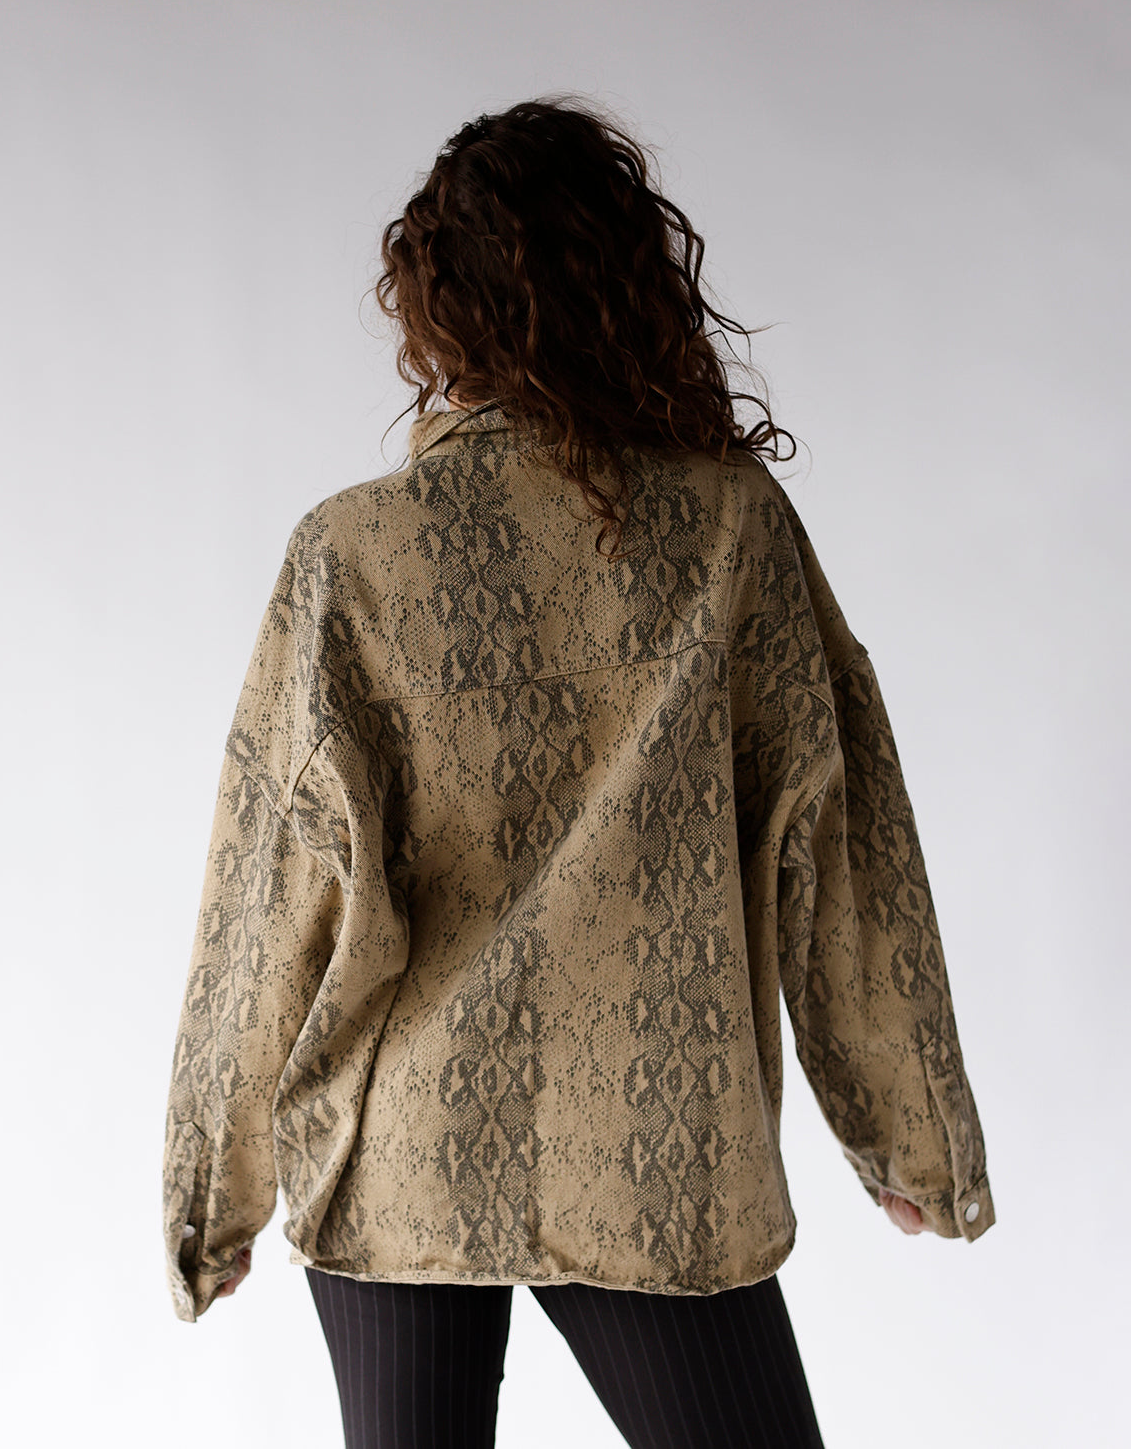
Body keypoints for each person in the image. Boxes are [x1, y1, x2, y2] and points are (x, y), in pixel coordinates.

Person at [162, 95, 995, 1449]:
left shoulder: (353, 550)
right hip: (658, 1147)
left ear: (435, 312)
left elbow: (265, 892)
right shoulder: (733, 528)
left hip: (406, 1144)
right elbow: (840, 841)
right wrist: (911, 1136)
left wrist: (215, 1190)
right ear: (631, 283)